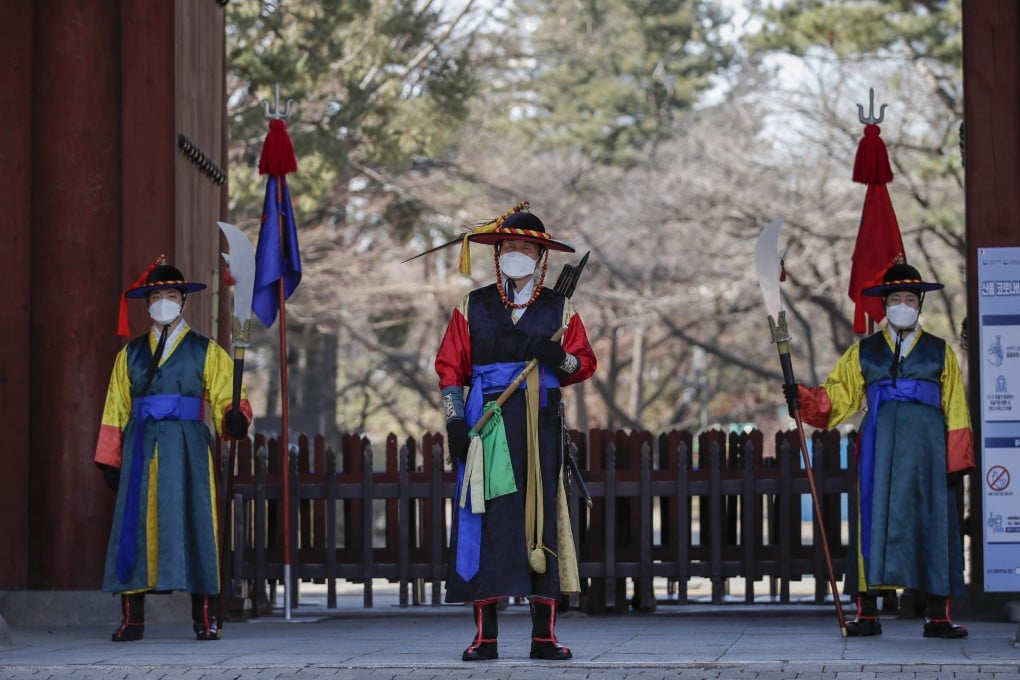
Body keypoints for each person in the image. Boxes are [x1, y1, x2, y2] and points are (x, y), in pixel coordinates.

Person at [434, 203, 597, 661]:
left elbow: (583, 363)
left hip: (540, 426)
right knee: (485, 520)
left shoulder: (560, 309)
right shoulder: (472, 306)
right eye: (509, 247)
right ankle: (485, 636)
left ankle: (543, 636)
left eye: (526, 248)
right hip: (486, 423)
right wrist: (454, 423)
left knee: (541, 518)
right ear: (498, 253)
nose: (516, 254)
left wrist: (557, 359)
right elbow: (449, 369)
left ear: (541, 256)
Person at [784, 262, 974, 639]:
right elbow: (838, 397)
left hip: (930, 452)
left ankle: (938, 615)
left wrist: (956, 459)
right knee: (873, 522)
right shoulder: (864, 352)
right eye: (895, 299)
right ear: (884, 305)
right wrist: (802, 397)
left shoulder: (941, 352)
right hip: (879, 446)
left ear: (919, 304)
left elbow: (955, 407)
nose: (903, 305)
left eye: (909, 298)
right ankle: (867, 612)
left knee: (934, 525)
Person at [94, 256, 253, 642]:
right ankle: (132, 618)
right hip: (141, 447)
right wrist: (110, 457)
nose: (163, 301)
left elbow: (228, 398)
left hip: (188, 448)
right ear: (147, 304)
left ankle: (205, 617)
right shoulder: (129, 355)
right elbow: (115, 407)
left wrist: (235, 417)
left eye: (171, 294)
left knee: (197, 522)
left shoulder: (206, 350)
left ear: (184, 301)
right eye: (156, 296)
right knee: (135, 524)